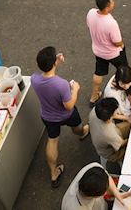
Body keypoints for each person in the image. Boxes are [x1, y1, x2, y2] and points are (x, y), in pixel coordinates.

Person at [31, 46, 90, 188]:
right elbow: (69, 105)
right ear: (53, 63)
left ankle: (53, 173)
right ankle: (82, 134)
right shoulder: (61, 84)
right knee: (77, 127)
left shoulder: (34, 79)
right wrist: (75, 90)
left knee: (52, 141)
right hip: (66, 115)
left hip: (48, 117)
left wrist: (54, 61)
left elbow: (46, 71)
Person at [86, 0, 127, 105]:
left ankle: (94, 96)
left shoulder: (91, 13)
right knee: (123, 70)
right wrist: (122, 44)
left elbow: (89, 26)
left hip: (98, 51)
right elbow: (117, 41)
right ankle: (125, 90)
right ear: (107, 7)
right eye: (112, 2)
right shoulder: (111, 23)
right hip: (113, 53)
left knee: (98, 72)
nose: (114, 3)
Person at [61, 162, 131, 210]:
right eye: (105, 192)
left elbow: (106, 176)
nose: (106, 193)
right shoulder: (76, 207)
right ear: (95, 196)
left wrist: (116, 193)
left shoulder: (92, 168)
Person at [88, 97, 130, 164]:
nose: (117, 111)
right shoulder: (108, 134)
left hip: (111, 133)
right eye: (116, 111)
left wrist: (127, 118)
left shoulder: (95, 111)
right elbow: (121, 144)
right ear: (109, 118)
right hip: (112, 153)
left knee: (130, 124)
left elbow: (113, 115)